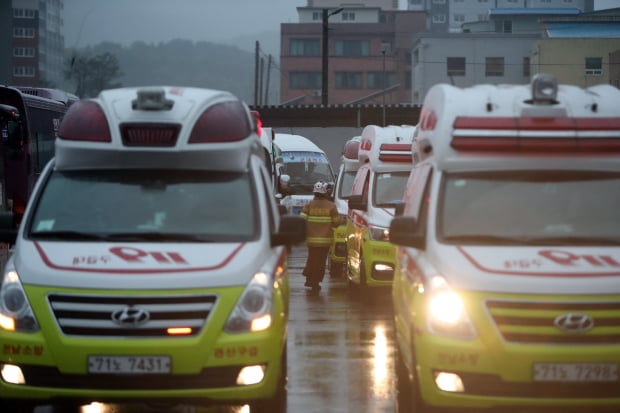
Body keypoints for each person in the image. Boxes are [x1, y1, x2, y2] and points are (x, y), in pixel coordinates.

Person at [301, 181, 340, 292]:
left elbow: (302, 220)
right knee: (320, 262)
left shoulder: (309, 205)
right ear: (325, 193)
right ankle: (316, 282)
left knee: (312, 259)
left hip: (311, 241)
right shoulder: (331, 206)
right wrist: (341, 219)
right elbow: (336, 223)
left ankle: (309, 278)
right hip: (325, 242)